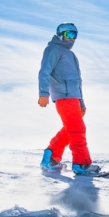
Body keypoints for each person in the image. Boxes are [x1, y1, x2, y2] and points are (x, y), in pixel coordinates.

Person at [38, 23, 100, 175]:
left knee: (70, 129)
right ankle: (81, 164)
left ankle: (51, 156)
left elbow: (77, 81)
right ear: (60, 34)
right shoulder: (53, 49)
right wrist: (43, 93)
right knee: (78, 130)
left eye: (74, 35)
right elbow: (44, 71)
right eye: (69, 35)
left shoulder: (71, 55)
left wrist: (81, 102)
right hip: (63, 96)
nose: (72, 39)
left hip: (73, 98)